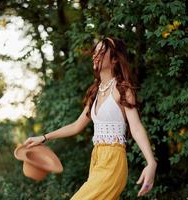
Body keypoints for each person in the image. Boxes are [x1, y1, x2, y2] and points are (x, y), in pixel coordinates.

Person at [24, 36, 157, 199]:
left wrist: (151, 162)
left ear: (114, 59)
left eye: (101, 51)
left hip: (113, 160)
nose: (95, 55)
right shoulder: (95, 93)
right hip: (97, 159)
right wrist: (43, 137)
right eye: (95, 51)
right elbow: (76, 126)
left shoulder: (122, 89)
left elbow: (136, 127)